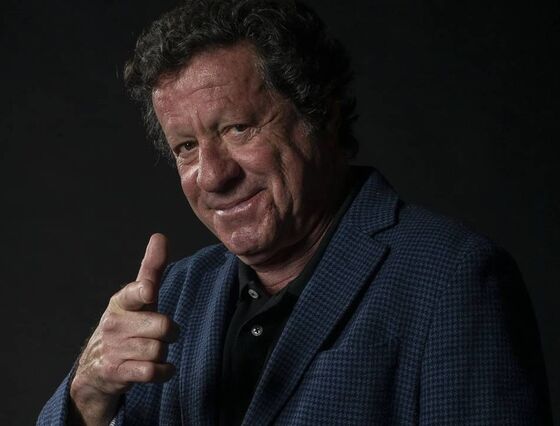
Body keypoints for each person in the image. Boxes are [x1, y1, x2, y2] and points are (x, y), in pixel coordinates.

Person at [38, 0, 552, 424]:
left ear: (320, 115)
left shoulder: (452, 279)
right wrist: (88, 395)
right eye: (186, 147)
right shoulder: (174, 295)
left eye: (238, 128)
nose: (212, 176)